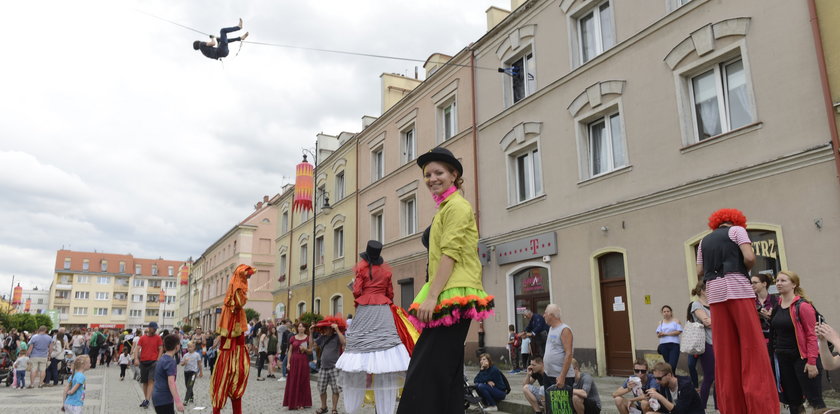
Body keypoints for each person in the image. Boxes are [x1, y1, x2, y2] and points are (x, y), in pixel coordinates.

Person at [398, 147, 495, 414]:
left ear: (454, 175)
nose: (431, 178)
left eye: (438, 172)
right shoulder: (445, 208)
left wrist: (431, 296)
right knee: (447, 372)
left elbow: (450, 254)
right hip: (446, 291)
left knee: (424, 371)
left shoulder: (458, 207)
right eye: (427, 174)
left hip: (452, 293)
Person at [696, 208, 777, 413]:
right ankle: (760, 406)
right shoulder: (737, 231)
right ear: (735, 220)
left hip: (715, 293)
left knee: (725, 352)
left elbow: (699, 271)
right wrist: (743, 268)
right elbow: (749, 257)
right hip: (738, 289)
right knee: (752, 347)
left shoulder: (704, 241)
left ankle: (732, 407)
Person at [336, 240, 414, 414]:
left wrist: (363, 290)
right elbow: (390, 294)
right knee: (385, 352)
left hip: (365, 311)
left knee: (359, 350)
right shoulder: (386, 273)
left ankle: (353, 408)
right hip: (383, 311)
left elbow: (357, 291)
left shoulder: (361, 270)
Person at [770, 270, 828, 414]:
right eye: (777, 280)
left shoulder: (802, 306)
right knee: (793, 401)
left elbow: (811, 335)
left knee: (815, 400)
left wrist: (812, 362)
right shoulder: (777, 306)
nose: (779, 283)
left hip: (802, 359)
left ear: (794, 284)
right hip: (783, 359)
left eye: (783, 281)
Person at [210, 264, 255, 414]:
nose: (248, 279)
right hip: (229, 351)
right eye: (247, 276)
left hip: (236, 350)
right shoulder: (233, 298)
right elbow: (239, 301)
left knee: (236, 388)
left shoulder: (235, 307)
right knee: (222, 385)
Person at [688, 282, 715, 409]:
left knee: (719, 377)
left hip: (719, 343)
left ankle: (718, 407)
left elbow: (710, 321)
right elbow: (707, 322)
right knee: (709, 376)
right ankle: (701, 407)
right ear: (703, 291)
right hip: (707, 343)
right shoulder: (696, 304)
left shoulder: (714, 303)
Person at [313, 317, 347, 414]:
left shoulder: (336, 337)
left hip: (334, 367)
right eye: (325, 328)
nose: (325, 330)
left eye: (327, 328)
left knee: (335, 389)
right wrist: (311, 333)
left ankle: (334, 409)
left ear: (331, 329)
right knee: (321, 388)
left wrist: (337, 329)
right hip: (323, 367)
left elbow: (344, 342)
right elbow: (312, 345)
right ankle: (324, 407)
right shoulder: (322, 337)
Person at [543, 304, 574, 389]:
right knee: (549, 402)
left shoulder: (564, 330)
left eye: (545, 313)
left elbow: (569, 354)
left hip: (560, 377)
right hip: (548, 374)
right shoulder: (551, 328)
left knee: (561, 402)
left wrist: (562, 376)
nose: (544, 315)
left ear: (551, 315)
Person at [152, 334, 185, 414]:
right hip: (164, 398)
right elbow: (171, 382)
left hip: (157, 396)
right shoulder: (170, 361)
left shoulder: (162, 358)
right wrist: (178, 401)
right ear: (177, 346)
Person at [283, 322, 313, 410]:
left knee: (302, 381)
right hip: (294, 361)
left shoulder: (307, 338)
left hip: (303, 361)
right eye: (299, 326)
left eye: (302, 326)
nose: (301, 328)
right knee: (293, 380)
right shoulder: (292, 338)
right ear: (297, 328)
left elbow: (311, 351)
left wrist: (305, 349)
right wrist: (288, 363)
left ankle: (302, 403)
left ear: (304, 328)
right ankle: (292, 402)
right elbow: (290, 351)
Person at [135, 321, 163, 409]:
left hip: (153, 362)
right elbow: (137, 348)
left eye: (155, 328)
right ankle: (146, 399)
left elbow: (161, 349)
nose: (154, 330)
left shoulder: (158, 338)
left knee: (151, 381)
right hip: (143, 362)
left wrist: (158, 360)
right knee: (144, 382)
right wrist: (136, 358)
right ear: (149, 328)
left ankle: (147, 400)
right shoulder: (142, 338)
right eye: (153, 328)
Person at [752, 272, 778, 365]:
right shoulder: (750, 302)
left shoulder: (776, 300)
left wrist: (770, 316)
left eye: (755, 282)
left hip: (772, 340)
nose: (752, 285)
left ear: (764, 284)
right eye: (751, 283)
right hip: (755, 340)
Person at [655, 306, 682, 373]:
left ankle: (672, 379)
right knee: (668, 365)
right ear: (662, 313)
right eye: (664, 311)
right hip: (664, 345)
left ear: (671, 312)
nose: (666, 313)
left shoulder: (676, 321)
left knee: (672, 365)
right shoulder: (661, 322)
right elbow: (658, 335)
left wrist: (666, 334)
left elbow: (679, 331)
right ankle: (671, 379)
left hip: (674, 345)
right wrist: (660, 334)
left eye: (668, 311)